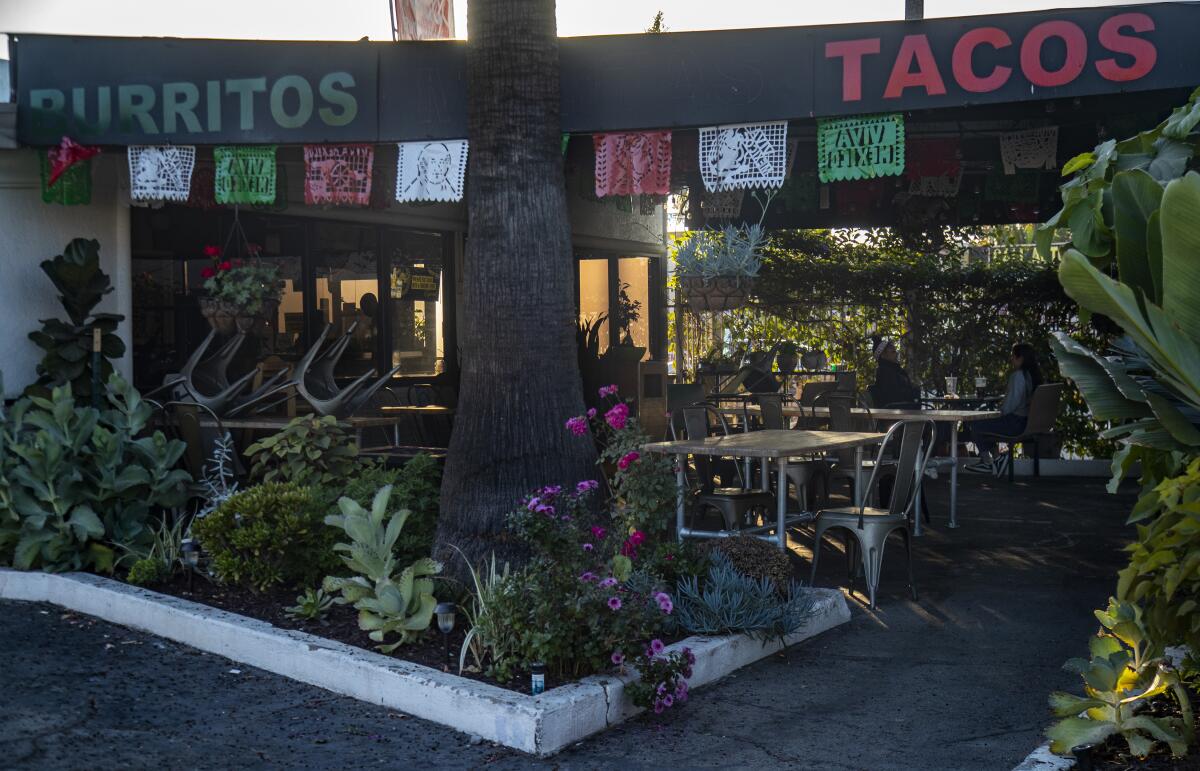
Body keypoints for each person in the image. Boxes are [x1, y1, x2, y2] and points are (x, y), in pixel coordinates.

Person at [964, 342, 1043, 476]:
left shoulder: (1018, 376)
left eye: (1013, 356)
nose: (1011, 359)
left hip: (1015, 423)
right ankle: (998, 458)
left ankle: (986, 462)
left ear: (1020, 358)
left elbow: (1009, 406)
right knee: (982, 423)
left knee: (975, 423)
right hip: (1026, 422)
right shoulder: (1033, 376)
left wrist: (994, 413)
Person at [867, 337, 918, 408]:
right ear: (883, 355)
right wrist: (914, 392)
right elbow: (893, 397)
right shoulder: (884, 372)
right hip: (898, 413)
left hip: (905, 410)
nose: (896, 354)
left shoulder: (897, 370)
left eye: (895, 351)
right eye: (893, 352)